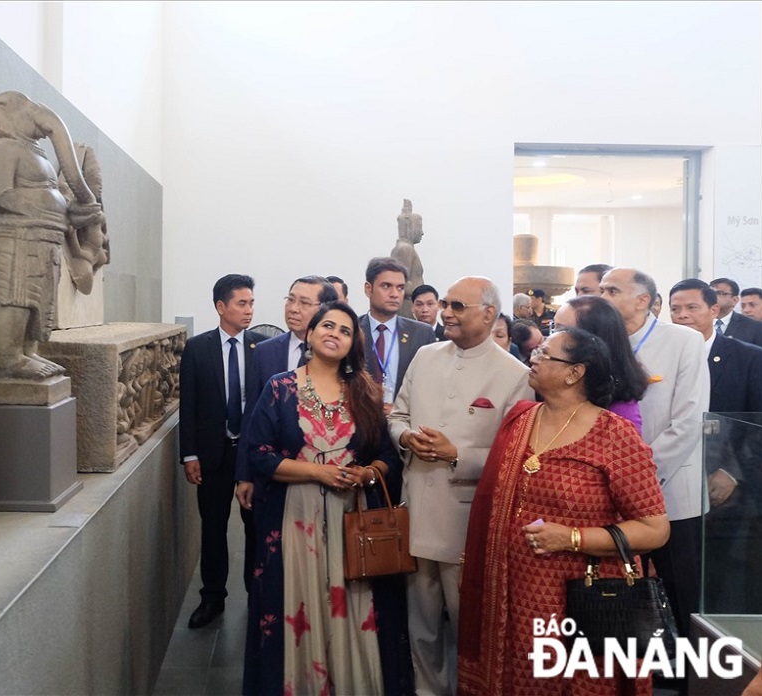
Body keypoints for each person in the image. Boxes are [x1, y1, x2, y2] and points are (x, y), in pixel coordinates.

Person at [457, 328, 669, 696]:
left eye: (544, 354)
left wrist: (572, 538)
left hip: (582, 598)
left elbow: (654, 529)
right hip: (514, 596)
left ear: (575, 373)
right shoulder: (522, 419)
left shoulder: (614, 435)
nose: (533, 358)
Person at [242, 301, 400, 695]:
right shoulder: (280, 387)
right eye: (327, 326)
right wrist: (319, 472)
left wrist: (366, 473)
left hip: (352, 519)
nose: (334, 334)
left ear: (352, 344)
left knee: (355, 603)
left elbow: (386, 457)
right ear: (310, 334)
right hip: (295, 517)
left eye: (345, 330)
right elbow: (258, 454)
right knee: (298, 602)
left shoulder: (364, 391)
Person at [388, 276, 533, 696]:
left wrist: (456, 454)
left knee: (471, 628)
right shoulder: (425, 356)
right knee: (421, 624)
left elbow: (515, 459)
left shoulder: (516, 375)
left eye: (457, 306)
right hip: (415, 507)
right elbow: (396, 416)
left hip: (468, 519)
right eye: (446, 304)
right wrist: (404, 437)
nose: (446, 312)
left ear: (489, 314)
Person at [0, 91, 106, 379]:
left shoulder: (34, 154)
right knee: (13, 296)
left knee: (36, 300)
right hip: (12, 239)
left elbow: (48, 201)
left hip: (40, 240)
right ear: (2, 116)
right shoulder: (3, 149)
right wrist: (49, 209)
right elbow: (0, 194)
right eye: (26, 111)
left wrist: (72, 213)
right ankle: (7, 357)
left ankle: (26, 351)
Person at [599, 268, 709, 647]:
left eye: (612, 290)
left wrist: (637, 478)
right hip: (605, 493)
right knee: (614, 597)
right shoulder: (597, 342)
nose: (603, 297)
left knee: (683, 598)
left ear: (643, 300)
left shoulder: (683, 341)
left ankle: (693, 681)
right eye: (601, 290)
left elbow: (689, 420)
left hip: (671, 492)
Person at [234, 276, 337, 589]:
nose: (293, 308)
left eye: (304, 303)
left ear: (324, 310)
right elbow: (250, 419)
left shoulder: (339, 354)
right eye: (290, 299)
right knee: (263, 554)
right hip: (271, 475)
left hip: (321, 481)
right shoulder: (264, 352)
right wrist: (245, 475)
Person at [668, 279, 762, 614]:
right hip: (674, 485)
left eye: (692, 308)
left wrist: (732, 471)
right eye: (675, 309)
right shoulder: (662, 361)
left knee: (721, 579)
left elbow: (758, 424)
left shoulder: (749, 358)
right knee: (680, 579)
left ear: (714, 310)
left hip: (729, 490)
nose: (683, 316)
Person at [179, 274, 264, 629]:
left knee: (255, 530)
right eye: (241, 303)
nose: (249, 310)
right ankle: (213, 598)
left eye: (251, 303)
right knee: (213, 529)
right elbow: (189, 405)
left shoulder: (262, 348)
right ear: (221, 306)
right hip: (212, 455)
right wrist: (189, 455)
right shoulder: (198, 349)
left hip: (251, 456)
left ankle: (257, 599)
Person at [360, 257, 435, 433]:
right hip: (359, 427)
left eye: (400, 288)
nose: (395, 294)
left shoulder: (421, 334)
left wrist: (400, 410)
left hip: (404, 429)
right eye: (386, 286)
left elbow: (429, 387)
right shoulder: (351, 331)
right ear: (368, 289)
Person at [553, 295, 648, 433]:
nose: (550, 338)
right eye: (553, 327)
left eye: (561, 330)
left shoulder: (620, 417)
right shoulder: (549, 381)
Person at [390, 200, 426, 319]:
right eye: (419, 227)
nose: (422, 233)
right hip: (406, 309)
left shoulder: (408, 249)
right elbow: (399, 283)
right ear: (411, 227)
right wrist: (418, 292)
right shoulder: (404, 249)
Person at [709, 277, 762, 346]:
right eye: (710, 293)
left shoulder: (755, 327)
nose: (714, 297)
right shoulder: (698, 322)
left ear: (734, 300)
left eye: (720, 293)